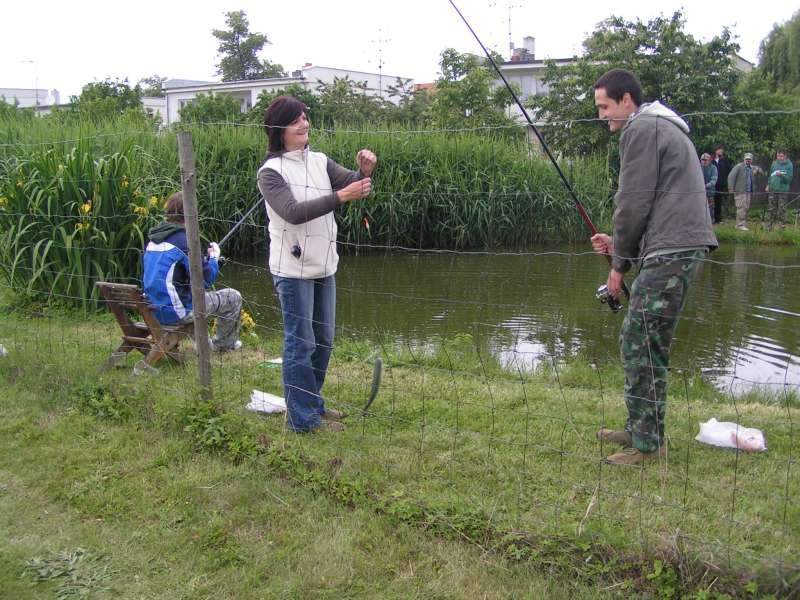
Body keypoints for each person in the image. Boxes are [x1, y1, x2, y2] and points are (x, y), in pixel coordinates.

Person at [590, 69, 717, 465]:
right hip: (672, 244)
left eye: (604, 106)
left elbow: (633, 202)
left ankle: (648, 445)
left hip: (674, 248)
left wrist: (618, 267)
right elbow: (657, 205)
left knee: (640, 340)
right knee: (644, 339)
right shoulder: (659, 125)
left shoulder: (642, 128)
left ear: (627, 100)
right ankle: (640, 427)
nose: (601, 115)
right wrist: (621, 244)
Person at [257, 95, 377, 434]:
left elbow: (353, 183)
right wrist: (341, 196)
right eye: (295, 120)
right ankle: (302, 420)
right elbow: (292, 212)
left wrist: (365, 171)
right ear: (278, 129)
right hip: (292, 270)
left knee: (323, 341)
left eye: (305, 117)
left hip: (325, 264)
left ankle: (311, 404)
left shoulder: (320, 161)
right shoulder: (270, 173)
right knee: (301, 343)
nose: (304, 124)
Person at [142, 191, 242, 351]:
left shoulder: (154, 239)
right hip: (176, 313)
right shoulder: (184, 242)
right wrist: (214, 257)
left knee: (190, 296)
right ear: (190, 212)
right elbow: (206, 279)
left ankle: (205, 345)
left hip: (153, 311)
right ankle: (224, 345)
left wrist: (208, 261)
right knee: (233, 297)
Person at [727, 152, 764, 231]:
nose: (748, 160)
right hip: (740, 191)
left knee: (746, 208)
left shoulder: (752, 168)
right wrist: (731, 188)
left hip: (748, 192)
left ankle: (742, 224)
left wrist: (758, 169)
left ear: (752, 160)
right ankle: (740, 225)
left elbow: (761, 172)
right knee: (741, 208)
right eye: (747, 159)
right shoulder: (739, 166)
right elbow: (731, 177)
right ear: (744, 159)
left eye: (749, 159)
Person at [765, 149, 794, 230]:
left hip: (783, 190)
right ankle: (769, 227)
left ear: (785, 156)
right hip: (773, 189)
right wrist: (768, 185)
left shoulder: (789, 165)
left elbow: (789, 179)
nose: (779, 157)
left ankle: (782, 227)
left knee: (781, 210)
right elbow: (770, 175)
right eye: (778, 156)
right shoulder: (774, 163)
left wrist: (781, 175)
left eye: (781, 156)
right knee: (771, 209)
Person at [711, 145, 731, 224]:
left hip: (720, 184)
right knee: (711, 202)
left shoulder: (725, 161)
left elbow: (728, 172)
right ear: (716, 151)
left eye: (721, 150)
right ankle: (711, 218)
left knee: (718, 202)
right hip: (712, 185)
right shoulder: (712, 161)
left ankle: (718, 219)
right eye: (719, 150)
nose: (720, 152)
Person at [700, 153, 718, 221]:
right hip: (699, 192)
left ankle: (710, 222)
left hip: (710, 192)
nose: (704, 161)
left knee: (710, 208)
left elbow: (714, 180)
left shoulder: (713, 168)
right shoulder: (697, 167)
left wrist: (705, 186)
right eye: (702, 160)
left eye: (706, 160)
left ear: (709, 160)